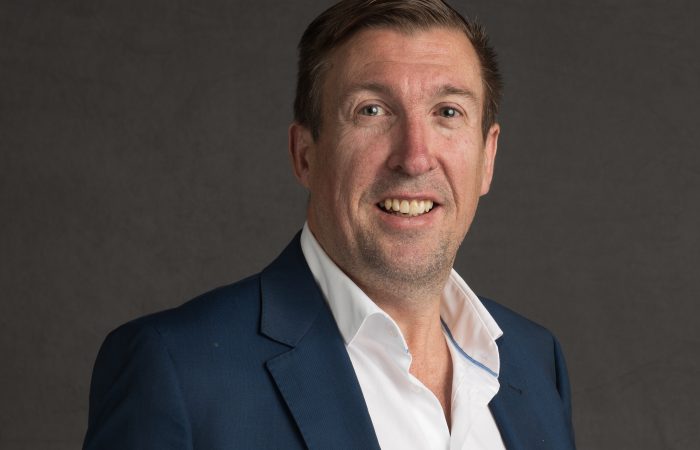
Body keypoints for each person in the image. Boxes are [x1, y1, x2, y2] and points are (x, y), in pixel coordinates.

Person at [83, 1, 575, 449]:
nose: (415, 157)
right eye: (372, 111)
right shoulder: (177, 370)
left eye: (448, 112)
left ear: (487, 158)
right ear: (305, 155)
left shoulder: (535, 363)